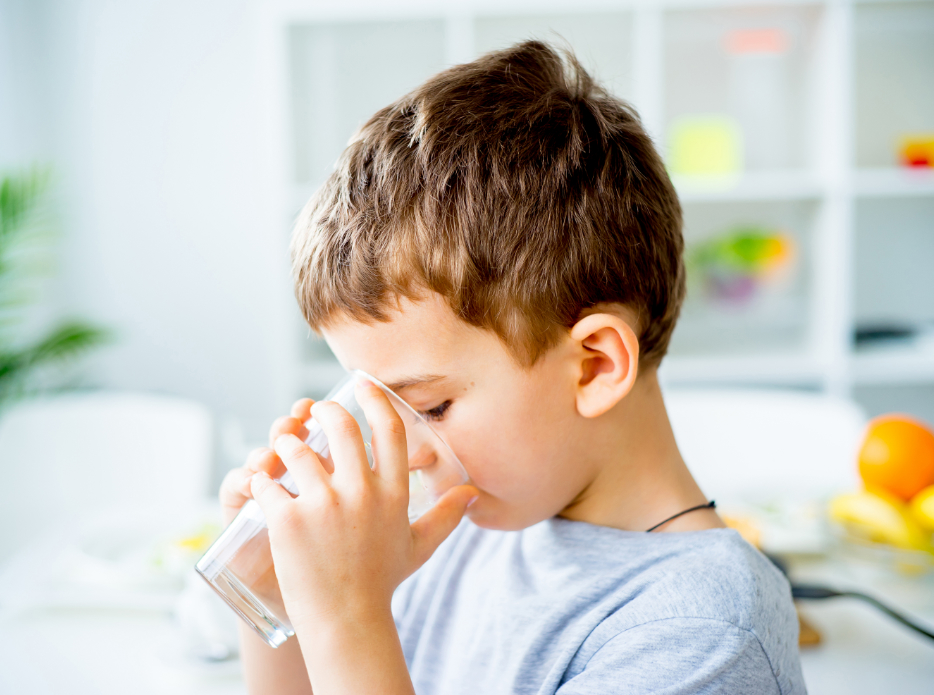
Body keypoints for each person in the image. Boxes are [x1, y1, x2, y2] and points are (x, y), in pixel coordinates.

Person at [218, 40, 806, 694]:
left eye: (431, 407)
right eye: (379, 404)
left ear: (594, 366)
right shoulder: (464, 533)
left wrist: (349, 618)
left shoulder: (703, 630)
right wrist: (276, 589)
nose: (406, 453)